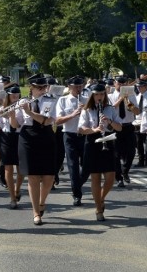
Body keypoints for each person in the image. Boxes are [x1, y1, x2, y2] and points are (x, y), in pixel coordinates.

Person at [13, 74, 57, 226]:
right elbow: (16, 125)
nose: (43, 90)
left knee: (49, 176)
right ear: (31, 87)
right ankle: (36, 212)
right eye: (39, 87)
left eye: (44, 87)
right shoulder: (23, 101)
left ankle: (42, 202)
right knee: (33, 176)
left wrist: (29, 112)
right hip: (28, 138)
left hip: (45, 135)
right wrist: (11, 112)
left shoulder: (50, 100)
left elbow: (46, 120)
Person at [78, 82, 123, 221]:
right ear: (92, 96)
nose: (99, 97)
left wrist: (109, 122)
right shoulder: (87, 110)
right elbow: (81, 129)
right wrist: (94, 130)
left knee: (110, 177)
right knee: (95, 178)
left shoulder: (110, 109)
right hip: (92, 143)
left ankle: (101, 198)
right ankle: (98, 208)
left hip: (108, 142)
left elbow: (119, 128)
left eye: (102, 94)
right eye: (97, 94)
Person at [55, 76, 89, 206]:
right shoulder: (62, 101)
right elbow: (57, 121)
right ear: (69, 87)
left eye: (81, 86)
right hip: (69, 136)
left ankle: (77, 184)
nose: (79, 89)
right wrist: (73, 114)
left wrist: (86, 110)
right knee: (73, 166)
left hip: (84, 135)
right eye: (76, 86)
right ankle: (77, 194)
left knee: (87, 166)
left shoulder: (87, 100)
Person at [0, 85, 25, 208]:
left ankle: (18, 189)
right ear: (8, 95)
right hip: (6, 138)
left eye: (17, 94)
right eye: (13, 94)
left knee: (20, 169)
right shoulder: (3, 107)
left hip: (19, 138)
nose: (15, 96)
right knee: (8, 168)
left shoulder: (22, 108)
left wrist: (11, 115)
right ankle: (12, 197)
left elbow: (16, 125)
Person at [109, 75, 138, 188]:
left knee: (131, 152)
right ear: (115, 84)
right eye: (119, 83)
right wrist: (121, 98)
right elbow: (110, 109)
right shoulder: (109, 96)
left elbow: (136, 111)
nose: (121, 85)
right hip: (116, 127)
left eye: (123, 83)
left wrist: (128, 102)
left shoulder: (131, 95)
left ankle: (125, 170)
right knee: (116, 154)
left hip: (128, 126)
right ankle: (119, 178)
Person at [134, 78, 147, 167]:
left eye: (141, 86)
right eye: (138, 87)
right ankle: (141, 161)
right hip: (137, 122)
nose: (139, 88)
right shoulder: (136, 97)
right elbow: (133, 108)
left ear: (145, 86)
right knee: (138, 143)